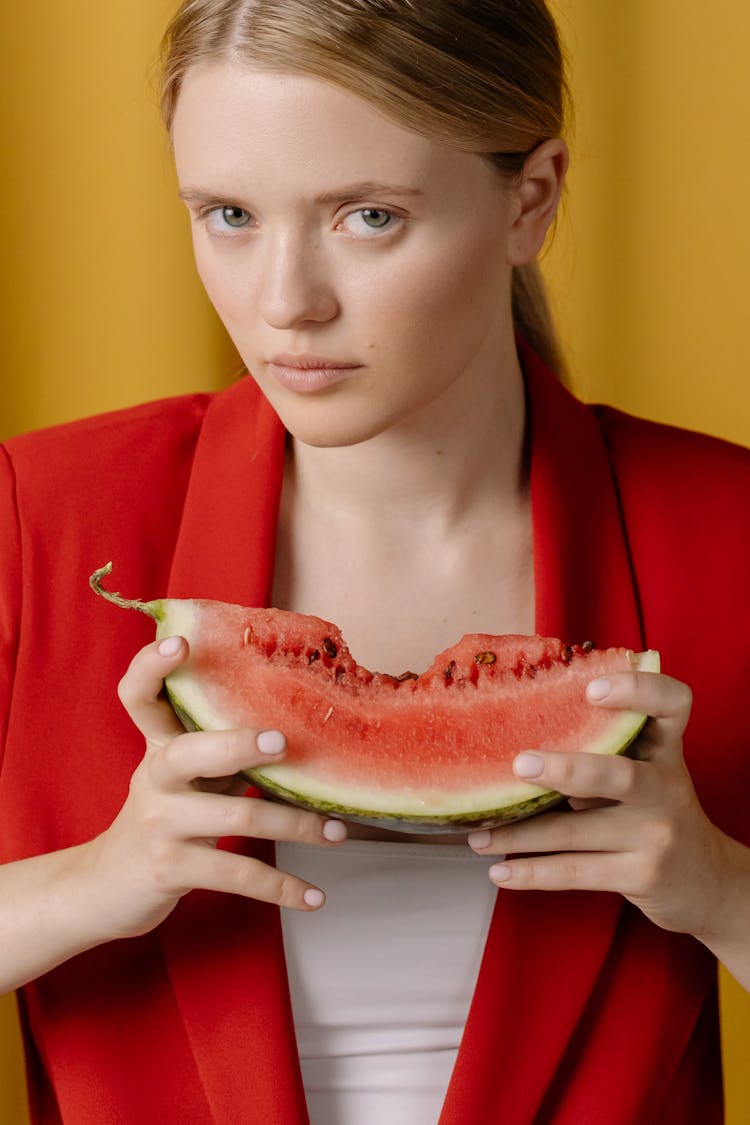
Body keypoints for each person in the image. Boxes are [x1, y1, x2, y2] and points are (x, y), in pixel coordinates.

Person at [1, 1, 749, 1121]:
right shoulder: (38, 516)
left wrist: (719, 887)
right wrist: (99, 880)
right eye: (229, 215)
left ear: (529, 199)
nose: (285, 301)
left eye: (367, 216)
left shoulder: (729, 530)